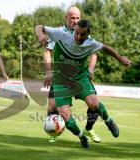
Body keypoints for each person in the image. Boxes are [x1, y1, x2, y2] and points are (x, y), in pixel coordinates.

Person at [35, 19, 131, 148]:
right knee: (64, 116)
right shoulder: (62, 34)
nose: (79, 37)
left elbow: (106, 48)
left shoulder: (91, 43)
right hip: (61, 81)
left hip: (80, 77)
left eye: (82, 34)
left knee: (94, 104)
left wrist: (120, 59)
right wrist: (40, 35)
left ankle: (109, 121)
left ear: (88, 34)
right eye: (77, 33)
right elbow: (39, 26)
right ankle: (82, 136)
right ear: (74, 30)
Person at [43, 6, 100, 143]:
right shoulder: (57, 33)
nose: (75, 21)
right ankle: (54, 132)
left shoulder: (85, 34)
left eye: (77, 18)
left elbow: (94, 54)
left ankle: (88, 128)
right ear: (66, 18)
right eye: (72, 18)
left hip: (79, 77)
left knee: (94, 104)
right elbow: (47, 52)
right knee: (51, 106)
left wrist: (91, 69)